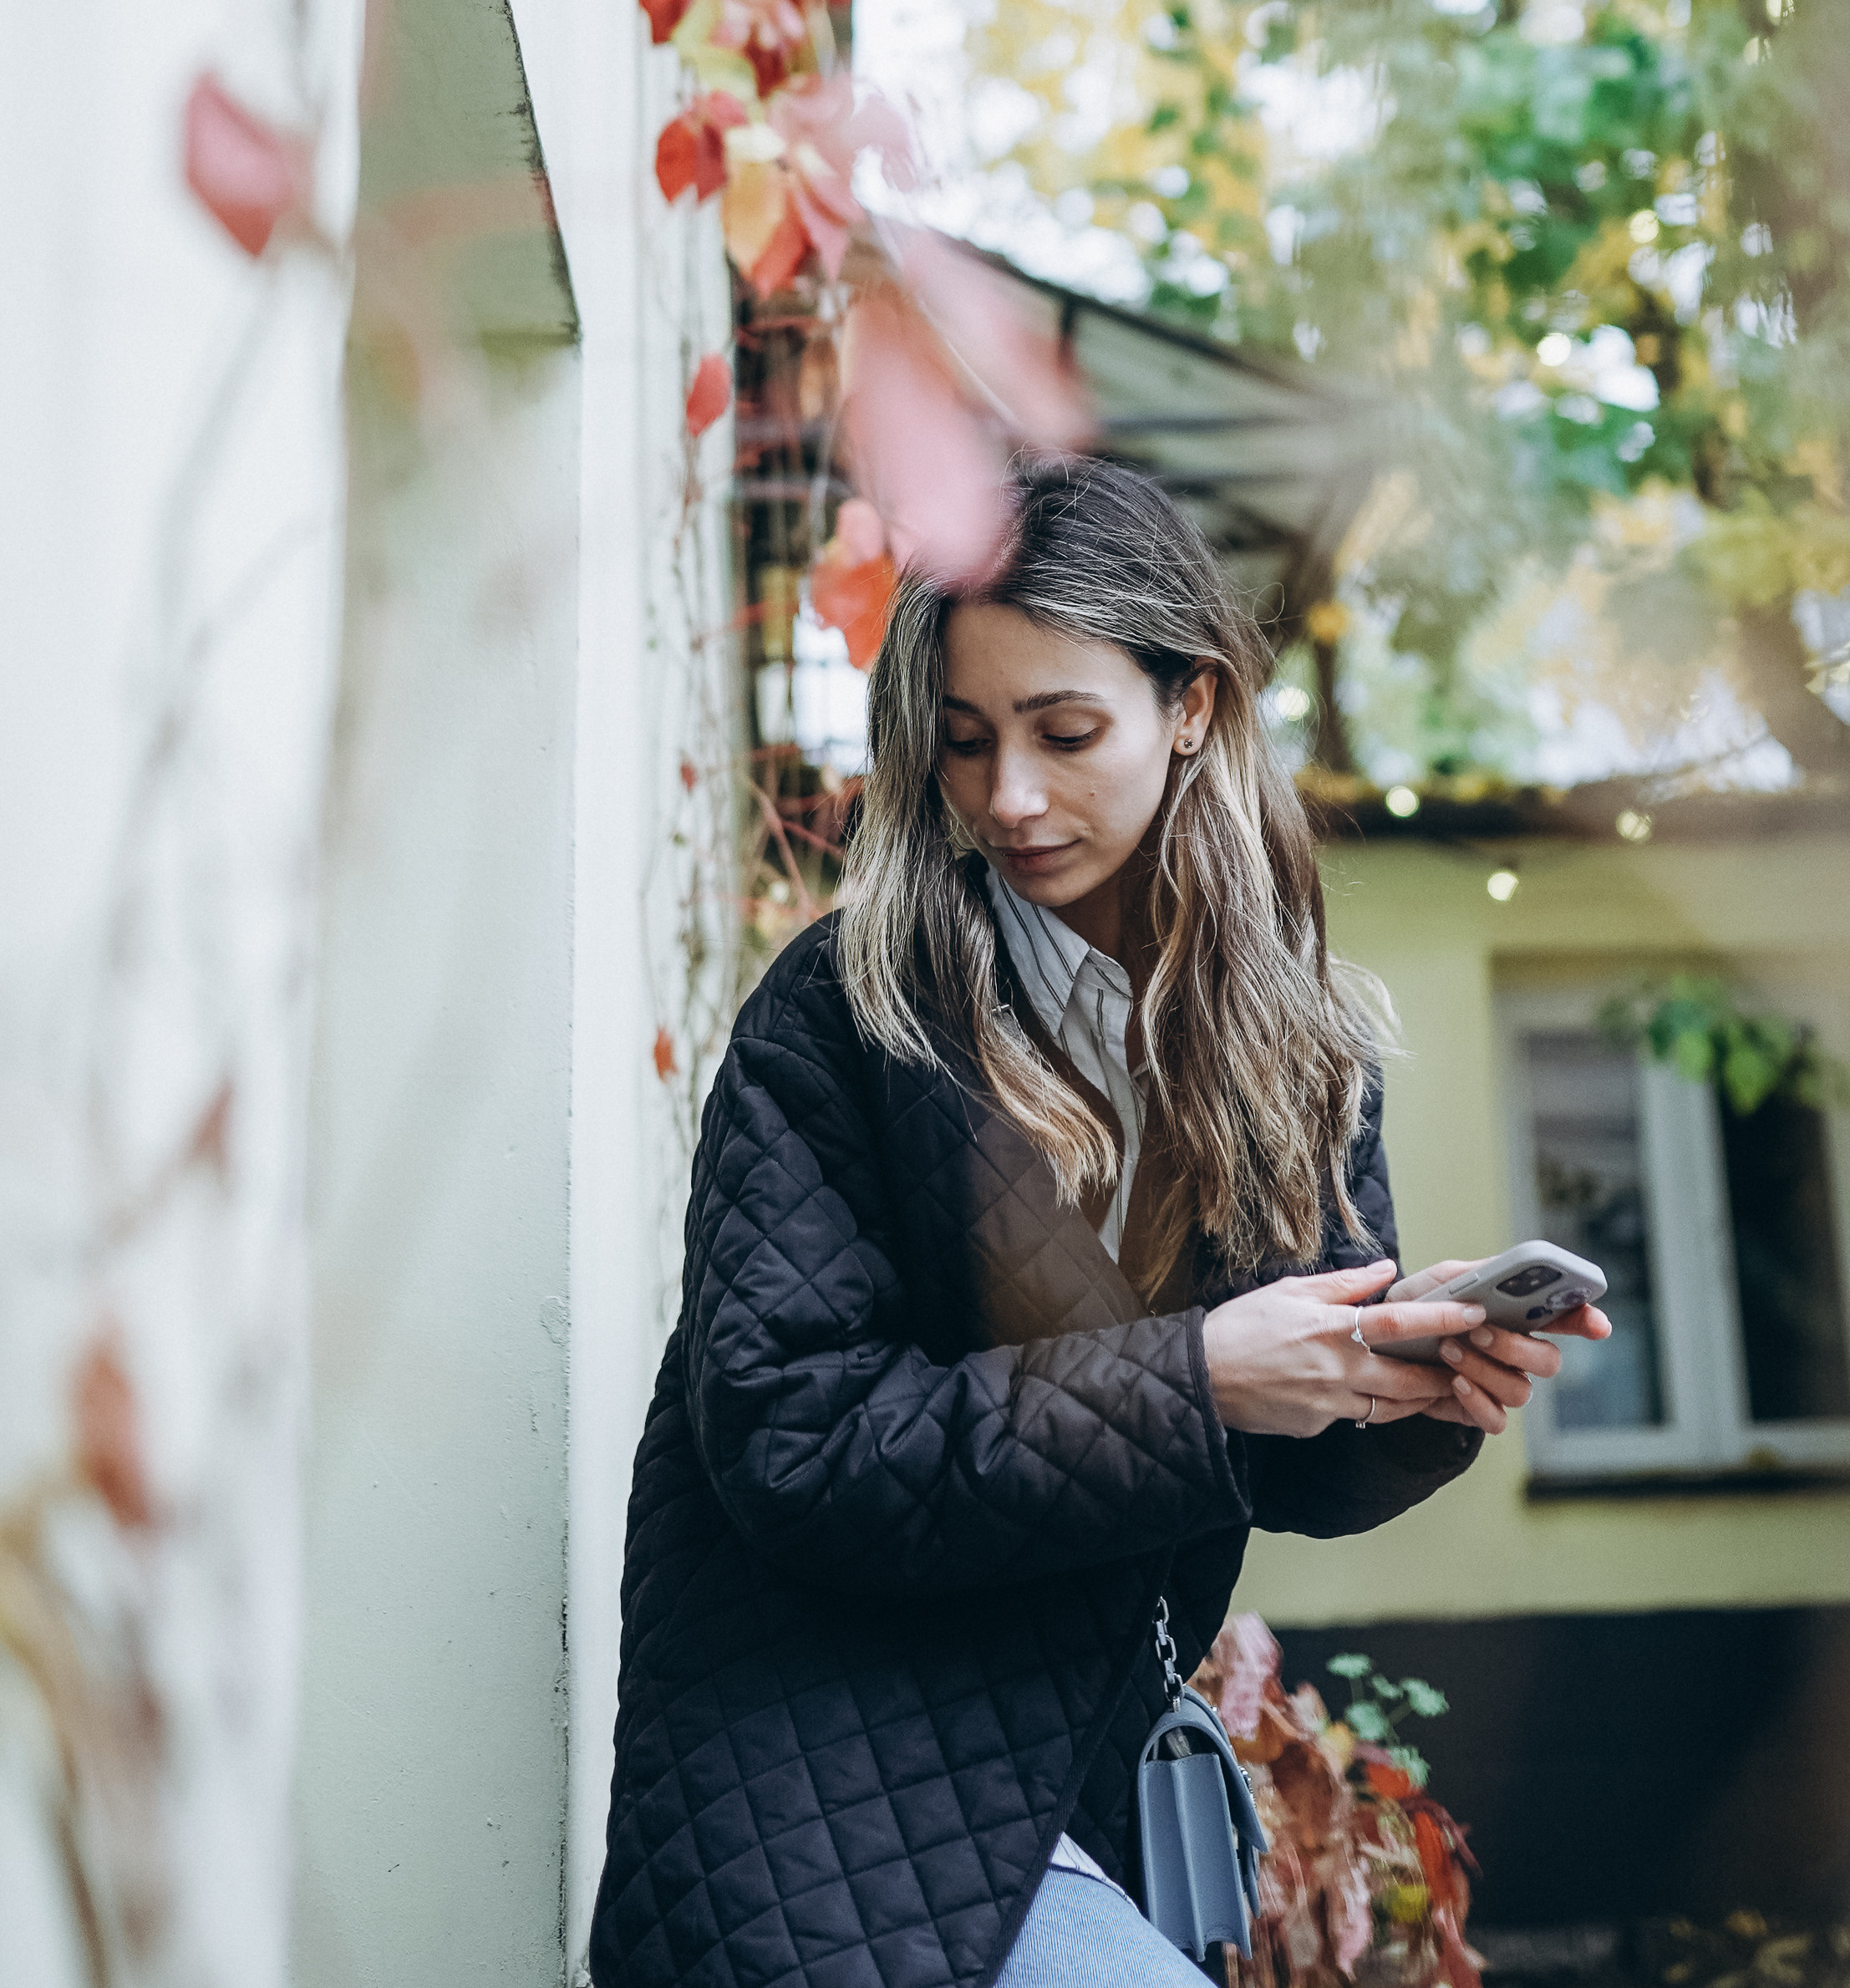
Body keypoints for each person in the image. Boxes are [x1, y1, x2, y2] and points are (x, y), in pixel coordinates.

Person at [590, 457, 1609, 1988]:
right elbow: (795, 1444)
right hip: (815, 1789)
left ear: (1190, 706)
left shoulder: (1295, 1048)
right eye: (964, 742)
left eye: (1067, 734)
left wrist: (1402, 1386)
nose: (1009, 796)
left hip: (1067, 1786)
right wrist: (1202, 1370)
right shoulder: (846, 1016)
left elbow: (1278, 1477)